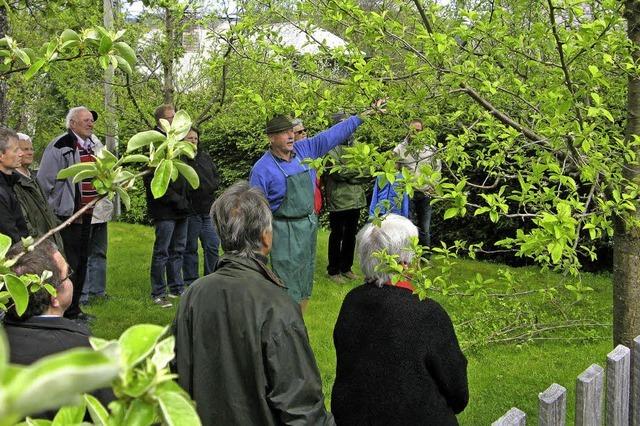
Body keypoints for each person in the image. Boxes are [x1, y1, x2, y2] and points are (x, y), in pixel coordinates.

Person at [173, 181, 334, 425]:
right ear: (266, 238)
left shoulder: (193, 294)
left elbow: (173, 376)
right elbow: (302, 407)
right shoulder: (277, 305)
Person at [331, 214, 469, 425]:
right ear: (404, 264)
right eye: (416, 254)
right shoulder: (427, 314)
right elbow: (458, 394)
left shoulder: (352, 301)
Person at [250, 100, 384, 312]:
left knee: (304, 280)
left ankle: (299, 322)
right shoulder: (262, 169)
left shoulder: (305, 149)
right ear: (271, 138)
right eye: (284, 133)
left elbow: (335, 133)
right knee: (285, 282)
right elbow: (256, 211)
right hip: (283, 231)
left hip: (308, 227)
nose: (291, 136)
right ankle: (284, 325)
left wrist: (365, 114)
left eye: (291, 131)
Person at [3, 239, 114, 418]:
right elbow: (110, 414)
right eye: (67, 274)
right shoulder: (79, 347)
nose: (70, 280)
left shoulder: (5, 342)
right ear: (53, 294)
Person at [37, 107, 112, 321]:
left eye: (91, 121)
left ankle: (75, 309)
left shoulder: (94, 146)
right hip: (68, 216)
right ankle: (64, 310)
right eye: (86, 120)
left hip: (88, 214)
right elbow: (45, 182)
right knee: (68, 264)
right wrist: (56, 209)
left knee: (82, 261)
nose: (91, 124)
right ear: (73, 124)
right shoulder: (61, 145)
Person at [144, 104, 190, 307]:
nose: (174, 121)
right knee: (162, 251)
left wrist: (185, 199)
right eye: (170, 118)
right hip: (164, 208)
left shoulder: (178, 141)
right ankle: (158, 292)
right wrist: (174, 199)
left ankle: (176, 287)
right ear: (160, 121)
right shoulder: (155, 142)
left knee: (177, 249)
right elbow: (154, 178)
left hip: (181, 207)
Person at [323, 112, 369, 283]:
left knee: (351, 235)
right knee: (337, 235)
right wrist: (354, 172)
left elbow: (366, 171)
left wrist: (352, 173)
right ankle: (333, 270)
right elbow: (337, 173)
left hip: (356, 199)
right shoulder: (329, 147)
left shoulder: (357, 147)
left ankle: (346, 268)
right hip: (339, 199)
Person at [13, 133, 65, 253]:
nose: (30, 152)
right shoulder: (14, 183)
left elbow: (45, 211)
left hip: (51, 243)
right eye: (25, 149)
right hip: (37, 249)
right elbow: (25, 223)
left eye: (31, 149)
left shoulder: (34, 178)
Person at [393, 118, 441, 250]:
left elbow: (437, 169)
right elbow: (393, 170)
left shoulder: (430, 149)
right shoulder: (400, 149)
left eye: (418, 130)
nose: (415, 133)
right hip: (408, 193)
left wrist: (433, 185)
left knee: (424, 227)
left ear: (423, 131)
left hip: (426, 193)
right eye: (413, 130)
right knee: (408, 225)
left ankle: (425, 256)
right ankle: (409, 256)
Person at [182, 127, 221, 285]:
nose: (193, 141)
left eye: (195, 139)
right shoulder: (180, 160)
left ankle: (211, 279)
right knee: (190, 248)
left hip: (208, 210)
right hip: (191, 211)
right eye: (189, 138)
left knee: (212, 245)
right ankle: (191, 281)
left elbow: (215, 177)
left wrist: (211, 186)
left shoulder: (205, 158)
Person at [0, 127, 28, 243]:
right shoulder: (1, 192)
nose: (21, 154)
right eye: (16, 150)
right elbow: (9, 237)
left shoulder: (11, 183)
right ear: (1, 155)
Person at [292, 118, 322, 214]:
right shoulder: (291, 154)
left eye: (305, 130)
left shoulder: (311, 150)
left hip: (315, 203)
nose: (304, 133)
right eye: (300, 132)